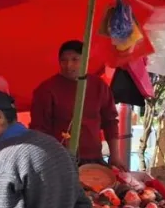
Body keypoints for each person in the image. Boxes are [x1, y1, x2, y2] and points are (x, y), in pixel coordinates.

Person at [30, 40, 125, 168]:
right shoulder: (46, 89)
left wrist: (115, 156)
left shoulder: (99, 86)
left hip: (94, 159)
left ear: (85, 59)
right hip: (59, 160)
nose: (68, 65)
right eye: (64, 60)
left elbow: (110, 122)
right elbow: (39, 129)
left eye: (75, 59)